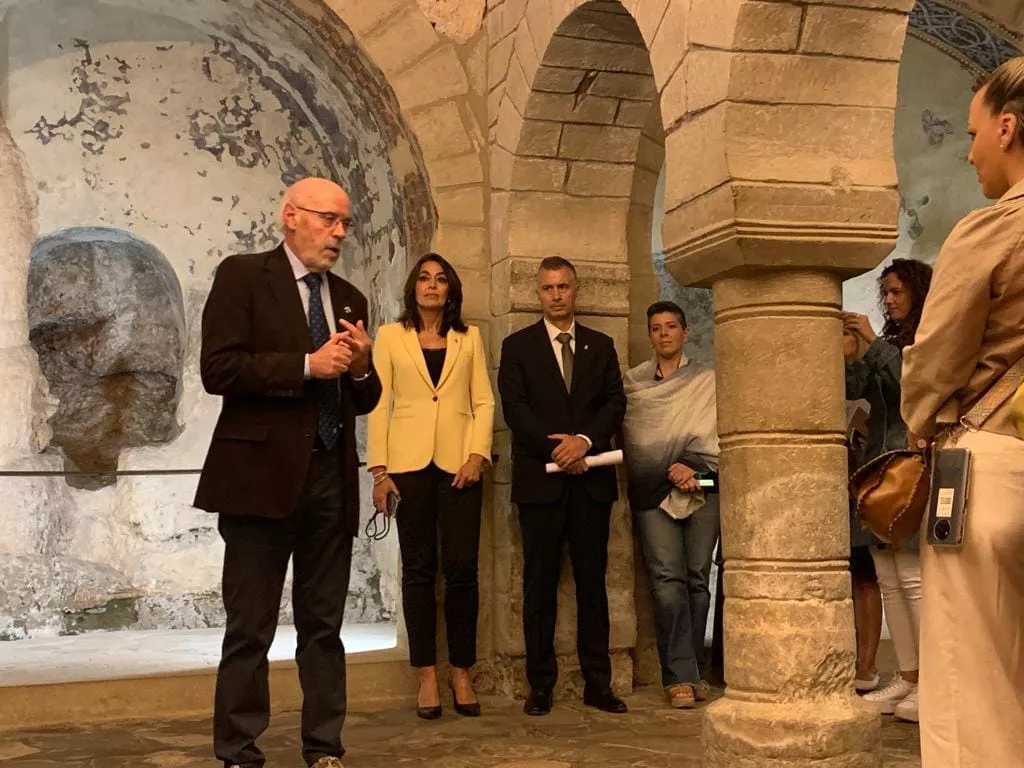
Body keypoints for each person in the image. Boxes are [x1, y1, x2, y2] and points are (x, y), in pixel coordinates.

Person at [194, 177, 382, 768]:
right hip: (259, 479)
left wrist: (360, 369)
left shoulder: (350, 298)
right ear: (291, 216)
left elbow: (365, 398)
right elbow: (218, 369)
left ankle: (324, 746)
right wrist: (306, 364)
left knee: (324, 627)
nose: (339, 233)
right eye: (329, 220)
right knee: (249, 626)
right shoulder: (244, 276)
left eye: (346, 224)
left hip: (330, 478)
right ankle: (239, 750)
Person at [902, 57, 1024, 766]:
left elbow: (938, 355)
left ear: (1008, 128)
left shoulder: (992, 230)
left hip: (990, 468)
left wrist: (920, 419)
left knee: (968, 684)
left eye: (975, 133)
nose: (970, 149)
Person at [497, 256, 628, 717]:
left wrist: (585, 442)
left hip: (591, 483)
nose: (556, 295)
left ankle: (599, 683)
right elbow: (515, 410)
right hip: (542, 483)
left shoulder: (601, 344)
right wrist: (560, 450)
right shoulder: (517, 347)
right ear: (538, 293)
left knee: (594, 585)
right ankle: (540, 685)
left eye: (564, 287)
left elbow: (615, 402)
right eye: (548, 288)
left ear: (576, 290)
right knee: (539, 585)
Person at [366, 253, 494, 720]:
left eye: (441, 279)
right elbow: (380, 404)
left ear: (450, 290)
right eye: (424, 278)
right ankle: (425, 675)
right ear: (413, 288)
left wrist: (477, 455)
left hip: (461, 465)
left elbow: (482, 400)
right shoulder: (389, 336)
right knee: (418, 570)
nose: (432, 286)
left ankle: (461, 671)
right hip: (408, 466)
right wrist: (379, 472)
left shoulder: (470, 337)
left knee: (463, 570)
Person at [843, 258, 933, 723]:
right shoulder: (893, 343)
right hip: (878, 475)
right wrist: (850, 350)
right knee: (890, 580)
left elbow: (911, 389)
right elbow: (855, 389)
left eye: (898, 291)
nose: (891, 299)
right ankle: (908, 676)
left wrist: (872, 341)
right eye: (887, 292)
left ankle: (930, 683)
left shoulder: (929, 336)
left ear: (918, 292)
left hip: (911, 473)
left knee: (915, 582)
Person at [621, 301, 720, 709]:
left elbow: (719, 444)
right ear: (650, 335)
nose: (664, 333)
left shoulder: (708, 380)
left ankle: (693, 667)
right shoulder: (634, 385)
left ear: (685, 333)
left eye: (672, 326)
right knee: (667, 583)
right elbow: (638, 444)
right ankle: (678, 676)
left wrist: (692, 468)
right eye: (656, 327)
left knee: (697, 580)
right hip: (652, 492)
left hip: (704, 486)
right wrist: (667, 468)